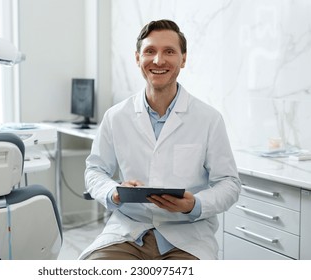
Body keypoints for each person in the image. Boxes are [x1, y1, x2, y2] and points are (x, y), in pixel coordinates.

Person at [79, 19, 241, 260]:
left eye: (169, 52)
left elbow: (229, 183)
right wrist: (114, 191)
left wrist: (194, 204)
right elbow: (94, 170)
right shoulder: (116, 116)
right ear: (137, 58)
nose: (158, 60)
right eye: (150, 51)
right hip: (129, 233)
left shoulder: (208, 119)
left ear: (183, 59)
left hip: (186, 236)